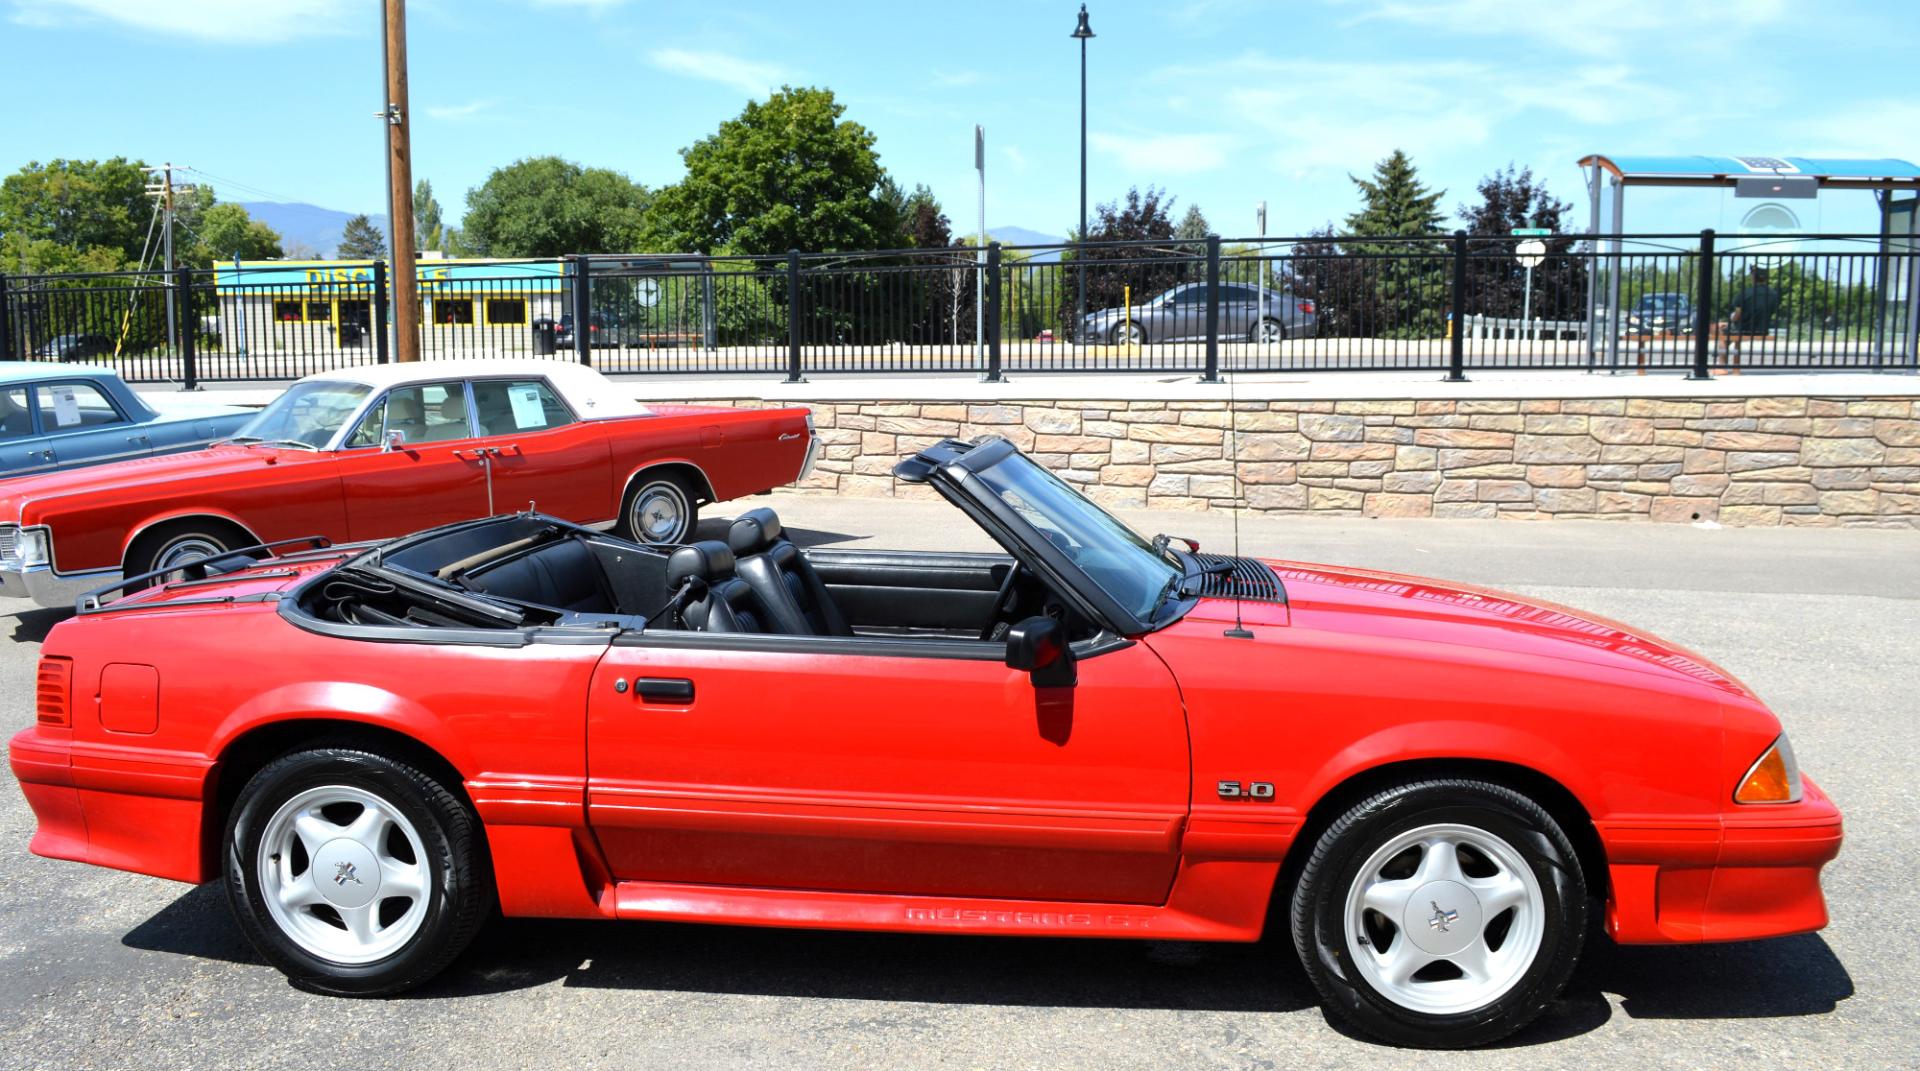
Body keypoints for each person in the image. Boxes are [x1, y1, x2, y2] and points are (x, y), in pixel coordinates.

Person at [1713, 266, 1781, 375]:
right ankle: (1736, 369)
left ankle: (1723, 367)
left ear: (1753, 277)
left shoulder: (1745, 293)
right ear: (1766, 278)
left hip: (1744, 329)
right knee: (1734, 332)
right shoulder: (1774, 294)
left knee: (1724, 337)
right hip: (1762, 329)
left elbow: (1737, 315)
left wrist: (1731, 319)